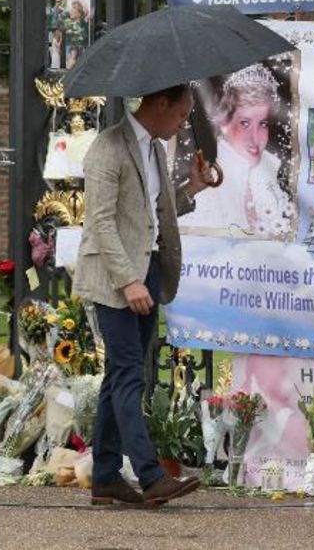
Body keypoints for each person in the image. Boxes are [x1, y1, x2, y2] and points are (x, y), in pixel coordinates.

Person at [73, 83, 213, 507]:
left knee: (119, 375)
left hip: (148, 271)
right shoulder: (108, 147)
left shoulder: (154, 148)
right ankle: (151, 475)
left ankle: (106, 476)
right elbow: (100, 222)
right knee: (131, 373)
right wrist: (128, 280)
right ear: (160, 103)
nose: (184, 123)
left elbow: (153, 215)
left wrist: (193, 189)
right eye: (182, 114)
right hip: (116, 279)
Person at [189, 64, 295, 238]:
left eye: (263, 124)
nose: (255, 138)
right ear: (224, 123)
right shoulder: (202, 190)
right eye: (245, 123)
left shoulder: (273, 186)